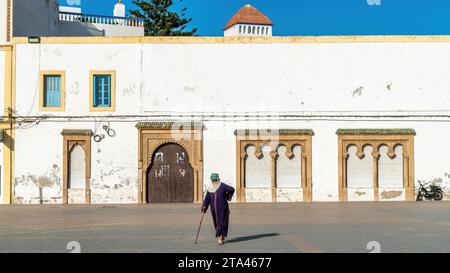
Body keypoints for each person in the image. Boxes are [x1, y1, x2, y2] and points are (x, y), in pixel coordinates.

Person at [201, 173, 235, 245]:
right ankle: (221, 236)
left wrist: (227, 196)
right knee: (216, 222)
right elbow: (207, 198)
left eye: (215, 180)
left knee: (222, 222)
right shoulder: (210, 187)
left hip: (223, 208)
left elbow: (232, 189)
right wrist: (204, 206)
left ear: (218, 179)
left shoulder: (222, 186)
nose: (214, 181)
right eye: (212, 180)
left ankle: (220, 237)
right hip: (213, 209)